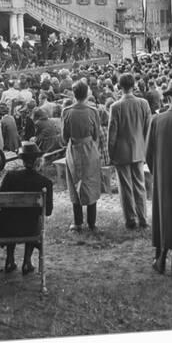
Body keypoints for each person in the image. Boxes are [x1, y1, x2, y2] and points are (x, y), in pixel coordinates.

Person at [0, 142, 53, 274]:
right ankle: (27, 261)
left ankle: (9, 260)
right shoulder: (45, 182)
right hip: (30, 228)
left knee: (11, 216)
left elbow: (0, 201)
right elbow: (48, 211)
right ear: (38, 161)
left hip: (6, 227)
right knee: (32, 219)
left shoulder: (10, 176)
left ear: (22, 160)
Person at [108, 73, 151, 229]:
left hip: (121, 151)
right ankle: (143, 218)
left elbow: (111, 134)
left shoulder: (116, 106)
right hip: (139, 150)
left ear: (120, 86)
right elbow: (148, 129)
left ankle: (131, 220)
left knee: (125, 187)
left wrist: (110, 154)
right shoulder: (143, 104)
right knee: (140, 185)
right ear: (134, 85)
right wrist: (146, 149)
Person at [146, 80, 172, 279]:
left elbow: (148, 153)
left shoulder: (157, 120)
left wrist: (157, 169)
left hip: (163, 175)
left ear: (169, 97)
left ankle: (161, 258)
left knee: (163, 215)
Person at [61, 80, 101, 232]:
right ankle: (92, 222)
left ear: (74, 93)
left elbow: (64, 138)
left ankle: (78, 222)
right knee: (91, 182)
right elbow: (96, 134)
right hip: (90, 149)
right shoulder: (93, 111)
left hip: (74, 149)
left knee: (74, 181)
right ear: (87, 93)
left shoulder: (66, 111)